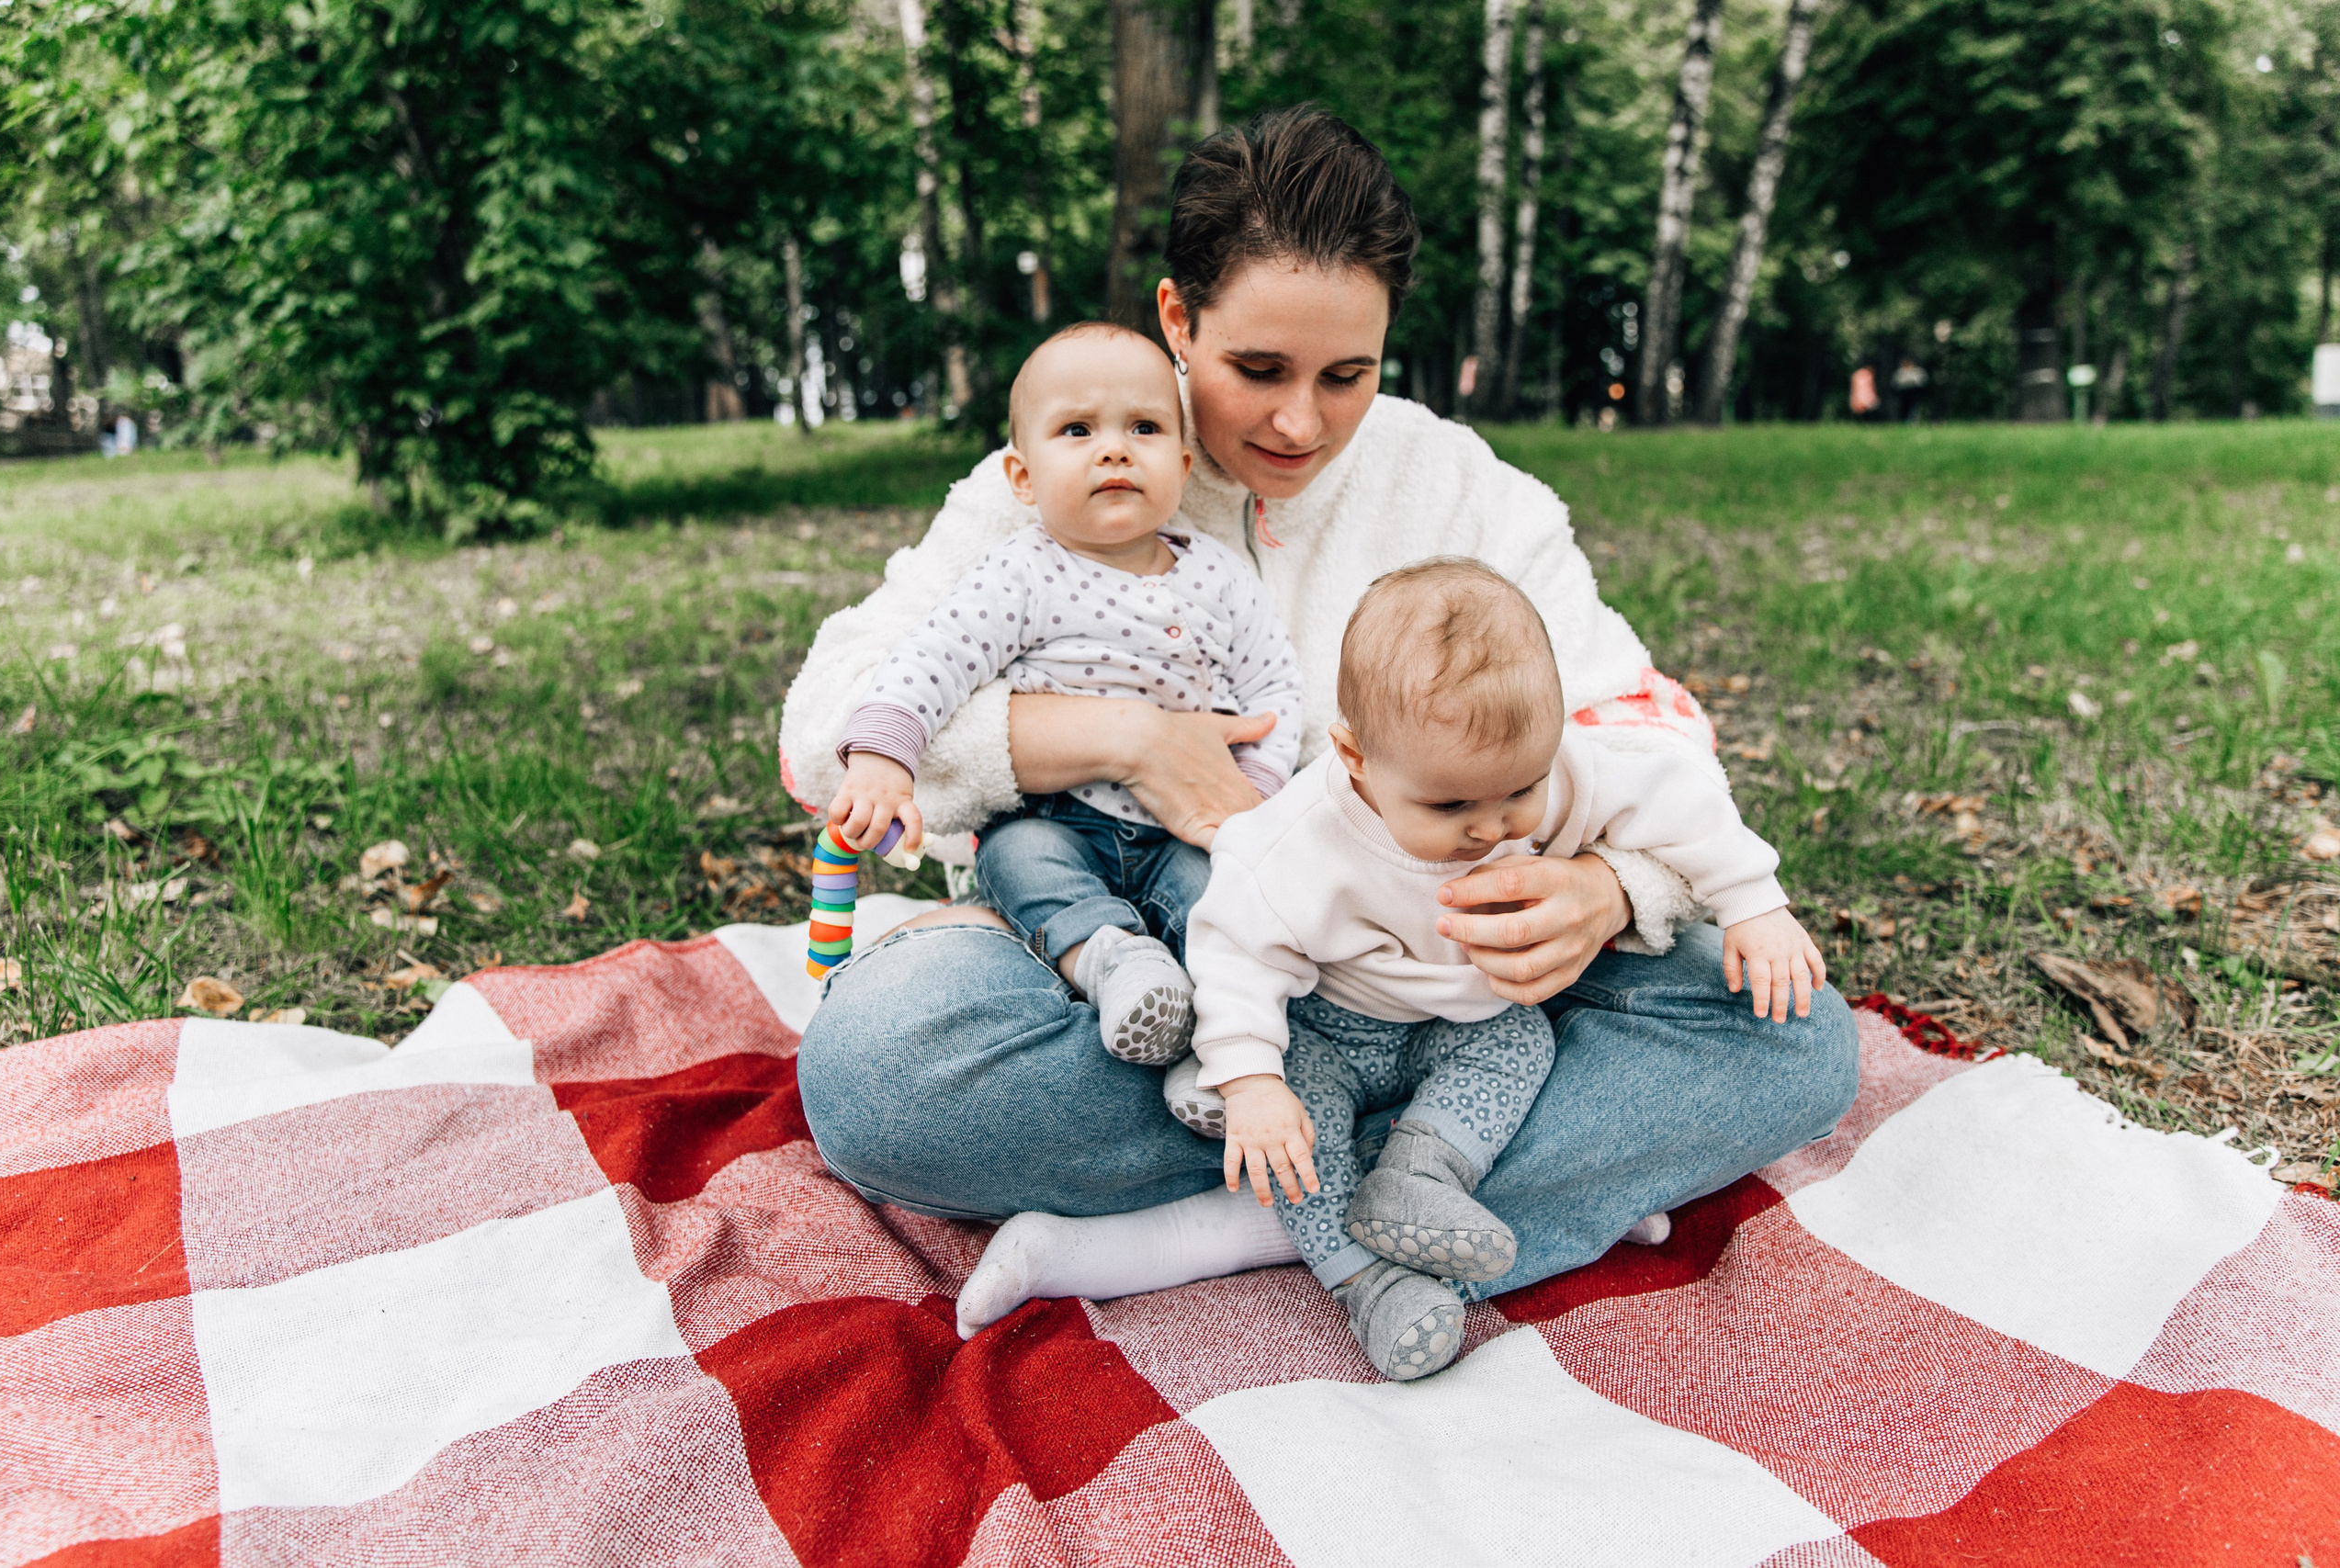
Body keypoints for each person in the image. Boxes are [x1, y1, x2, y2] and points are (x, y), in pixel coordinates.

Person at [779, 106, 1859, 1351]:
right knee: (875, 1076)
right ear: (1178, 320)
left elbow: (1647, 727)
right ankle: (1506, 1179)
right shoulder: (1073, 468)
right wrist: (1122, 741)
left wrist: (1612, 888)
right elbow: (826, 724)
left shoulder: (1460, 487)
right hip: (1166, 974)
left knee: (1798, 1038)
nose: (1301, 422)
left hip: (1459, 988)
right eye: (1259, 371)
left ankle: (1249, 1219)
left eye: (1347, 375)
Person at [1181, 559, 1827, 1380]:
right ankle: (1367, 1280)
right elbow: (1233, 948)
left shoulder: (1559, 771)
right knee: (1293, 1130)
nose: (1491, 827)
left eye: (1519, 790)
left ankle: (1417, 1175)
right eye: (1450, 807)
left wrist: (1753, 902)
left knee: (1521, 1042)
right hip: (1330, 1027)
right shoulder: (1295, 844)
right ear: (1355, 757)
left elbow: (1676, 791)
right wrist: (1247, 1080)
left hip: (1468, 1022)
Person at [823, 321, 1301, 1066]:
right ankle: (1114, 965)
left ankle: (1220, 1057)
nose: (1114, 448)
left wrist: (1251, 799)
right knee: (1015, 858)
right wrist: (885, 755)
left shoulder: (1217, 576)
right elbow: (934, 657)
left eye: (1142, 426)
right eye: (1077, 429)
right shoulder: (1021, 574)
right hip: (1061, 822)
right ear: (1023, 477)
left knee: (1229, 910)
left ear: (1180, 463)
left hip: (1186, 830)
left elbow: (1275, 689)